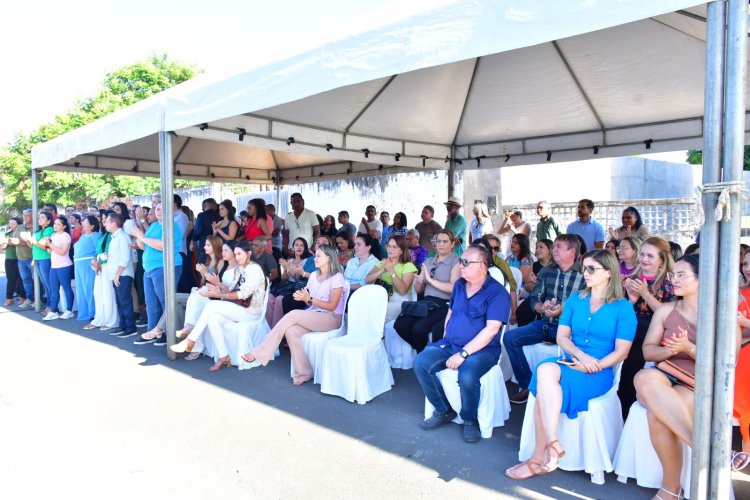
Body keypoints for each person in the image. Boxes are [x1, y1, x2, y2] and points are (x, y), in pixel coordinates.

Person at [505, 250, 636, 479]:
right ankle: (554, 442)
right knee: (544, 369)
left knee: (542, 391)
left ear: (608, 272)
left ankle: (538, 459)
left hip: (599, 371)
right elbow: (562, 337)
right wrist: (580, 357)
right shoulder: (577, 299)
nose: (585, 273)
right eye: (584, 267)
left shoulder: (623, 308)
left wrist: (593, 365)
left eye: (591, 269)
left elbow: (622, 352)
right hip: (570, 359)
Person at [632, 254, 718, 499]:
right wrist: (670, 350)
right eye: (673, 275)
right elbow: (648, 350)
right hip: (664, 373)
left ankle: (670, 489)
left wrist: (687, 348)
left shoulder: (719, 315)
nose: (674, 280)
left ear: (702, 279)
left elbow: (725, 363)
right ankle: (705, 451)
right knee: (644, 377)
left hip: (695, 383)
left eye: (681, 275)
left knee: (657, 415)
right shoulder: (666, 310)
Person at [414, 244, 511, 443]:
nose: (461, 265)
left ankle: (470, 420)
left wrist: (463, 354)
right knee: (421, 362)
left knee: (467, 375)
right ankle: (443, 410)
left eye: (466, 262)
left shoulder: (498, 293)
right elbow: (451, 312)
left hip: (482, 350)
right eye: (461, 261)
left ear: (482, 265)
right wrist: (446, 336)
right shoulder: (459, 285)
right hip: (452, 343)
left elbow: (492, 330)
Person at [240, 244, 347, 385]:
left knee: (293, 315)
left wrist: (308, 299)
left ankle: (261, 351)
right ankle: (304, 372)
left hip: (332, 318)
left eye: (319, 256)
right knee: (291, 331)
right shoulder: (314, 276)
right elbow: (310, 302)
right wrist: (304, 298)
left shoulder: (337, 277)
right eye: (315, 255)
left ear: (329, 258)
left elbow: (332, 305)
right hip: (315, 314)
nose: (315, 258)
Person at [504, 234, 587, 404]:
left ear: (572, 251)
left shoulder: (585, 274)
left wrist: (562, 309)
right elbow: (535, 298)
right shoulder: (546, 271)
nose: (554, 250)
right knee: (510, 338)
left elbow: (588, 305)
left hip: (572, 330)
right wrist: (541, 307)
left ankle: (563, 389)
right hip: (546, 324)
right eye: (554, 246)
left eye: (559, 247)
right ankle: (527, 385)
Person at [171, 241, 267, 371]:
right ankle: (224, 356)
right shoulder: (241, 268)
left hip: (251, 312)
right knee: (212, 317)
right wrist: (217, 289)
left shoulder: (254, 269)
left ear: (249, 253)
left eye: (240, 254)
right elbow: (230, 289)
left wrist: (218, 296)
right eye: (236, 254)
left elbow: (243, 294)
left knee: (211, 306)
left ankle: (190, 340)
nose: (237, 257)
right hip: (242, 308)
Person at [620, 236, 675, 418]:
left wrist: (644, 293)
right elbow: (620, 312)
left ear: (661, 260)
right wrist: (631, 299)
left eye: (650, 256)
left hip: (652, 337)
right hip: (628, 333)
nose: (644, 259)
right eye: (642, 254)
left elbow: (668, 316)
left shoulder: (668, 285)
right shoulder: (629, 280)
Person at [172, 241, 244, 361]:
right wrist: (213, 285)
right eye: (223, 250)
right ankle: (190, 333)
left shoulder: (238, 268)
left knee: (200, 303)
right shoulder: (226, 266)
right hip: (220, 297)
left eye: (226, 250)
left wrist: (216, 284)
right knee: (195, 297)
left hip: (229, 302)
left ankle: (192, 340)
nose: (223, 252)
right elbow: (218, 286)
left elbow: (234, 291)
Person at [394, 229, 460, 352]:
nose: (440, 244)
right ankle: (423, 351)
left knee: (419, 328)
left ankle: (423, 355)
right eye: (438, 241)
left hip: (444, 304)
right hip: (427, 302)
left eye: (445, 241)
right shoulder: (428, 262)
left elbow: (453, 288)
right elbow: (419, 290)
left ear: (452, 244)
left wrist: (430, 280)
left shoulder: (456, 261)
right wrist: (419, 282)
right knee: (400, 324)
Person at [131, 202, 183, 345]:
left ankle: (168, 333)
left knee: (165, 301)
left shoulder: (172, 226)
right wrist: (139, 235)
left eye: (161, 208)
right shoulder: (153, 226)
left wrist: (141, 235)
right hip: (149, 268)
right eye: (157, 209)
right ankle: (153, 331)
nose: (158, 211)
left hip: (164, 267)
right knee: (151, 303)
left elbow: (162, 245)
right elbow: (143, 245)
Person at [365, 234, 418, 322]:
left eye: (394, 247)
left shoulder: (408, 265)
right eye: (389, 246)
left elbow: (402, 290)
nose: (390, 249)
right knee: (364, 308)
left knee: (375, 312)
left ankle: (377, 335)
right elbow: (367, 279)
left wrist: (392, 271)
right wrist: (382, 270)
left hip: (400, 300)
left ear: (401, 250)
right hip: (382, 298)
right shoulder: (383, 262)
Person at [268, 237, 313, 327]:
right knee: (269, 297)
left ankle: (276, 328)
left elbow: (298, 278)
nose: (299, 247)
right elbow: (284, 279)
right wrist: (284, 269)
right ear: (293, 248)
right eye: (296, 245)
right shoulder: (289, 260)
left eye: (302, 245)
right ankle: (268, 327)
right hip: (288, 286)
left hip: (298, 287)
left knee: (279, 299)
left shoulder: (306, 261)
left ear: (305, 248)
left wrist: (288, 266)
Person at [104, 213, 137, 336]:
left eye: (107, 221)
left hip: (123, 274)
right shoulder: (114, 237)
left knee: (125, 300)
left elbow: (125, 257)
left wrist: (118, 274)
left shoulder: (122, 236)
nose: (105, 224)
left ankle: (130, 327)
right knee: (119, 301)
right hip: (115, 274)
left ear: (114, 223)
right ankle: (122, 325)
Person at [88, 210, 119, 331]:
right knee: (98, 294)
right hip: (100, 266)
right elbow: (98, 251)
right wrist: (94, 261)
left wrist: (98, 261)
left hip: (109, 266)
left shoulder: (114, 235)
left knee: (108, 294)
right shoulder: (103, 235)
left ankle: (111, 321)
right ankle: (100, 319)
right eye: (103, 218)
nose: (104, 221)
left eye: (107, 218)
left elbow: (110, 253)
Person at [43, 216, 75, 321]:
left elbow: (63, 252)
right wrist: (47, 245)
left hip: (64, 265)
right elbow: (50, 251)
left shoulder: (66, 236)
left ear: (64, 226)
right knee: (54, 289)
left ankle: (69, 310)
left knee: (66, 288)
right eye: (55, 224)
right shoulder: (53, 235)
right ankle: (53, 311)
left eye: (58, 224)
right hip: (54, 265)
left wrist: (50, 244)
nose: (55, 226)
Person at [73, 215, 100, 322]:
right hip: (78, 264)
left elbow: (98, 250)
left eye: (86, 224)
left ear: (92, 225)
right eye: (83, 223)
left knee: (89, 288)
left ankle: (93, 313)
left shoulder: (96, 235)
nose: (83, 225)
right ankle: (84, 312)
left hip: (88, 264)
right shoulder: (83, 236)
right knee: (81, 290)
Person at [26, 211, 55, 312]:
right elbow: (32, 246)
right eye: (39, 217)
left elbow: (44, 246)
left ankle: (52, 306)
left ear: (48, 221)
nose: (40, 219)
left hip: (45, 259)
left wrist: (33, 240)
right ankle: (49, 305)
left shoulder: (49, 229)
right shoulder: (37, 231)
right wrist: (28, 240)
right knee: (44, 283)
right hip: (37, 259)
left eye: (43, 217)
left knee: (48, 283)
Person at [2, 217, 25, 307]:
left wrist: (8, 242)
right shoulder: (7, 233)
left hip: (19, 258)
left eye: (13, 224)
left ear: (18, 225)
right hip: (9, 258)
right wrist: (5, 243)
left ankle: (22, 297)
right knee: (10, 279)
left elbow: (18, 242)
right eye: (10, 223)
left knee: (20, 279)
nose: (11, 225)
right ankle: (9, 298)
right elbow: (2, 246)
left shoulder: (21, 233)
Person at [15, 209, 35, 308]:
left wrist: (20, 242)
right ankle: (30, 299)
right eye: (24, 215)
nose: (25, 217)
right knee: (26, 280)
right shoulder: (19, 227)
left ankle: (38, 299)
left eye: (28, 215)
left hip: (31, 258)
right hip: (20, 258)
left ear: (32, 216)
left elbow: (33, 243)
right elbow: (13, 240)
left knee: (36, 280)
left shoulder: (36, 227)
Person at [192, 198, 221, 263]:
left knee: (202, 268)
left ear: (204, 206)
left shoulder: (201, 215)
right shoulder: (220, 215)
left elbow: (197, 231)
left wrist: (193, 240)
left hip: (204, 246)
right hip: (218, 245)